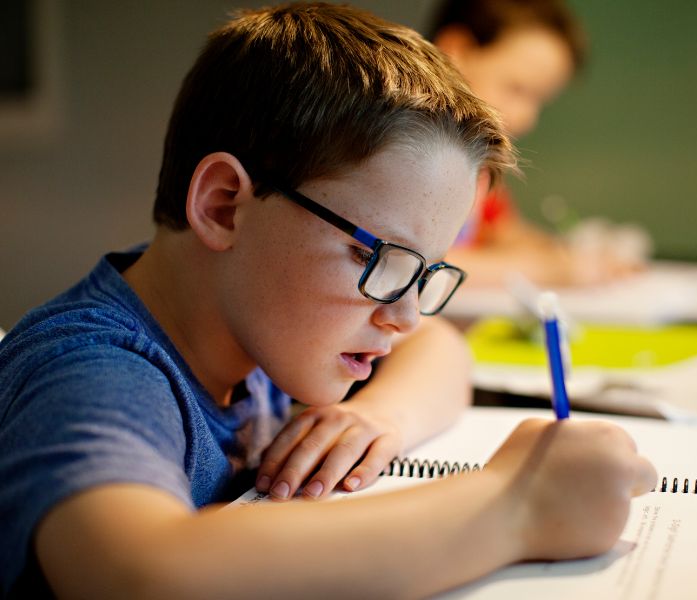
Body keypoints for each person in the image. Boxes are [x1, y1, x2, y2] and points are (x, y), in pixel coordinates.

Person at [0, 3, 656, 598]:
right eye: (380, 260)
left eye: (423, 273)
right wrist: (514, 507)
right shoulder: (95, 372)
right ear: (225, 206)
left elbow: (438, 346)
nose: (404, 314)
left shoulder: (262, 329)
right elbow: (139, 574)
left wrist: (381, 418)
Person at [431, 0, 645, 287]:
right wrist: (545, 271)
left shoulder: (477, 165)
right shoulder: (408, 151)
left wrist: (570, 256)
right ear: (457, 51)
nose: (526, 118)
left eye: (539, 101)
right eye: (517, 89)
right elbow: (418, 265)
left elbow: (503, 232)